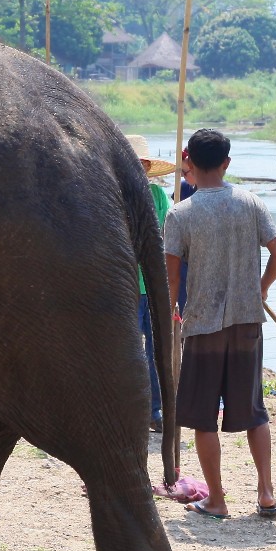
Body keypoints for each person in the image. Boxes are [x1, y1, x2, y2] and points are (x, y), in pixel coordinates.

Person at [163, 127, 276, 519]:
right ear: (226, 163)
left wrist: (171, 311)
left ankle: (217, 500)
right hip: (247, 321)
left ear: (189, 164)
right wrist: (261, 288)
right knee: (254, 410)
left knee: (203, 416)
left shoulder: (180, 214)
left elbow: (170, 278)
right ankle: (265, 493)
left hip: (202, 325)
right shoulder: (252, 203)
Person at [124, 135, 176, 432]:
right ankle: (133, 410)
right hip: (126, 288)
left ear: (146, 167)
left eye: (141, 165)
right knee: (128, 351)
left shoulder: (158, 198)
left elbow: (171, 234)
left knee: (155, 352)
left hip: (153, 287)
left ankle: (155, 411)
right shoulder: (114, 196)